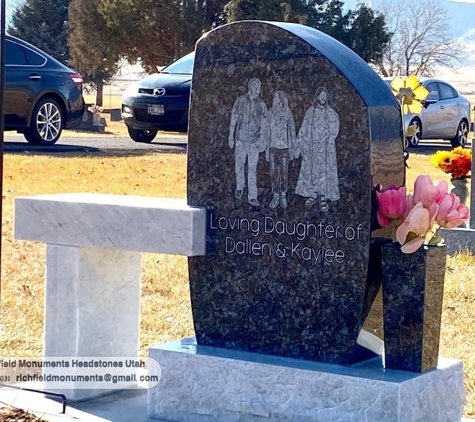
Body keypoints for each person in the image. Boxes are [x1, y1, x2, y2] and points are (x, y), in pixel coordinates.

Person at [295, 87, 340, 210]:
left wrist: (328, 136)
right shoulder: (311, 111)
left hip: (325, 150)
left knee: (323, 173)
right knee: (312, 172)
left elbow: (334, 129)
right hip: (311, 148)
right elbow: (304, 128)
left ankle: (323, 196)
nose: (323, 99)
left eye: (325, 96)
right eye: (321, 96)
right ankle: (313, 193)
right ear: (317, 97)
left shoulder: (330, 113)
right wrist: (298, 146)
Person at [228, 78, 267, 207]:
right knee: (239, 165)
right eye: (257, 88)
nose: (259, 90)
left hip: (254, 141)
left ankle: (252, 195)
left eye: (259, 88)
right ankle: (240, 186)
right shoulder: (240, 101)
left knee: (252, 168)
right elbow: (234, 117)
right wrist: (231, 136)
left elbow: (264, 123)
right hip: (240, 139)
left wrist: (262, 139)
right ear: (251, 87)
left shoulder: (261, 104)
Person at [264, 91, 296, 209]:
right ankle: (275, 194)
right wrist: (267, 149)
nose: (275, 100)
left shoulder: (287, 113)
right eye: (274, 98)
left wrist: (293, 148)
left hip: (284, 148)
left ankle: (283, 194)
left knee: (283, 173)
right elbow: (267, 132)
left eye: (277, 98)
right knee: (273, 173)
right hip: (273, 147)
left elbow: (292, 132)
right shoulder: (270, 113)